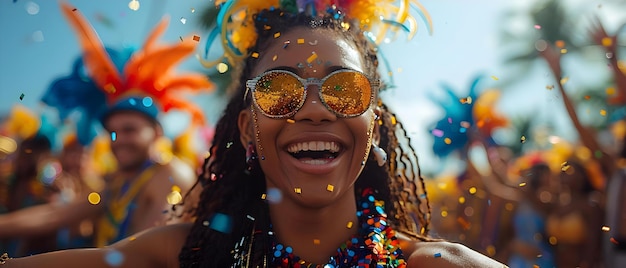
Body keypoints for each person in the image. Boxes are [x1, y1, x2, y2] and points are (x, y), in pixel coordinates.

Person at [0, 1, 507, 267]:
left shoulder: (435, 267)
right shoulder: (183, 256)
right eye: (279, 90)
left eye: (344, 89)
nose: (313, 109)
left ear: (373, 121)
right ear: (247, 128)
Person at [0, 1, 212, 249]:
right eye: (112, 132)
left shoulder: (169, 177)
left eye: (129, 130)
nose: (118, 139)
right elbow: (54, 216)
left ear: (157, 132)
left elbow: (137, 257)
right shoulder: (120, 182)